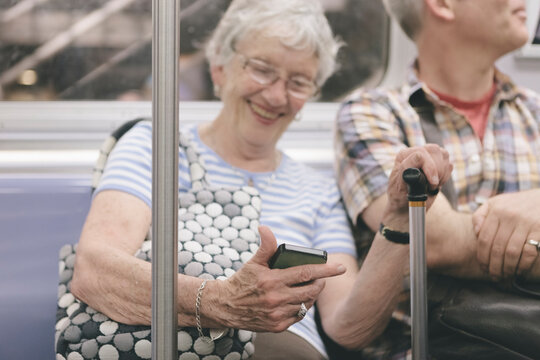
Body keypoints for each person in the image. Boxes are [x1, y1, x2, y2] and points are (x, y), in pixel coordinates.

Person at [57, 0, 453, 359]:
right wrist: (221, 302)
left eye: (298, 82)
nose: (277, 96)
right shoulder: (154, 145)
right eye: (262, 70)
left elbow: (347, 326)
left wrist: (399, 219)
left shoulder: (317, 191)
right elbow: (94, 271)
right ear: (219, 69)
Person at [335, 0, 540, 357]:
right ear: (443, 5)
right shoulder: (372, 113)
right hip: (431, 344)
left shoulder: (535, 112)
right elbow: (434, 241)